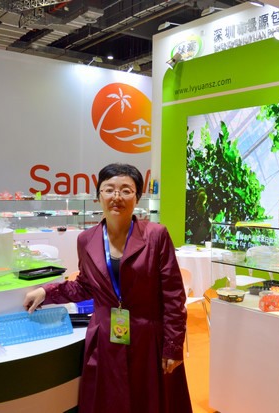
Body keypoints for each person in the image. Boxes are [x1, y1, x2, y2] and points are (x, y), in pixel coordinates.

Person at [23, 163, 192, 413]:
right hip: (105, 337)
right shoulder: (86, 239)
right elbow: (85, 286)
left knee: (149, 401)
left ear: (137, 197)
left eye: (126, 190)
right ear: (98, 195)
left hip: (148, 337)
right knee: (110, 401)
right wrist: (48, 291)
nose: (117, 197)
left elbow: (173, 296)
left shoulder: (156, 235)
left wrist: (173, 346)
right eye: (109, 189)